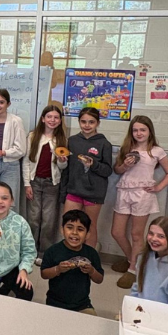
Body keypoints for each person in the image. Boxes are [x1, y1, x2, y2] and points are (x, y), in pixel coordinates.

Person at [111, 115, 168, 290]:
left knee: (137, 234)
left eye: (143, 130)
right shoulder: (127, 148)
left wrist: (158, 187)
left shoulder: (156, 151)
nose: (139, 133)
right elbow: (117, 170)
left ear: (149, 131)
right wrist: (125, 166)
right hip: (124, 191)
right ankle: (133, 260)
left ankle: (132, 270)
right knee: (116, 231)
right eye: (135, 130)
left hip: (143, 194)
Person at [61, 106, 113, 248]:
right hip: (74, 190)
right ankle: (68, 255)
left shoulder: (104, 144)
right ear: (79, 122)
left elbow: (108, 170)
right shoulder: (72, 141)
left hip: (94, 193)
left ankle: (89, 259)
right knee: (69, 224)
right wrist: (63, 191)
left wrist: (93, 164)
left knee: (89, 227)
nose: (87, 125)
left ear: (97, 123)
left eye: (91, 122)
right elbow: (67, 169)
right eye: (83, 122)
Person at [23, 104, 68, 262]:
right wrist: (27, 184)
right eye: (49, 117)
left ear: (60, 121)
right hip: (35, 182)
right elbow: (27, 162)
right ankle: (30, 250)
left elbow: (62, 167)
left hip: (52, 184)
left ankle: (44, 253)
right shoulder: (33, 136)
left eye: (56, 117)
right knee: (34, 218)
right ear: (43, 119)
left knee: (48, 220)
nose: (52, 120)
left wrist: (63, 161)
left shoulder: (61, 139)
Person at [41, 209, 104, 315]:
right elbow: (44, 274)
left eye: (80, 229)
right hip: (55, 303)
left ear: (87, 234)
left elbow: (99, 279)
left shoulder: (91, 253)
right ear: (62, 230)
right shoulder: (53, 251)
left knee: (91, 325)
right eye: (69, 228)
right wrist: (58, 269)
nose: (74, 233)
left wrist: (91, 271)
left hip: (82, 304)